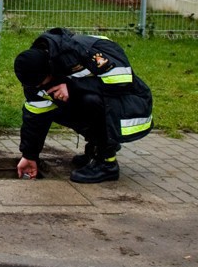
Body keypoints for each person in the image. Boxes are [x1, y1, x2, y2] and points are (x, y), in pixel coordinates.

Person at [14, 28, 154, 183]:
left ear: (49, 70)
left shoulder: (79, 50)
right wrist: (29, 155)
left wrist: (72, 87)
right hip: (105, 102)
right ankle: (95, 149)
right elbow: (35, 116)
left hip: (130, 103)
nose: (39, 87)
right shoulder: (35, 73)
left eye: (41, 83)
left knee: (90, 100)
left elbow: (122, 81)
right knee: (55, 106)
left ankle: (107, 163)